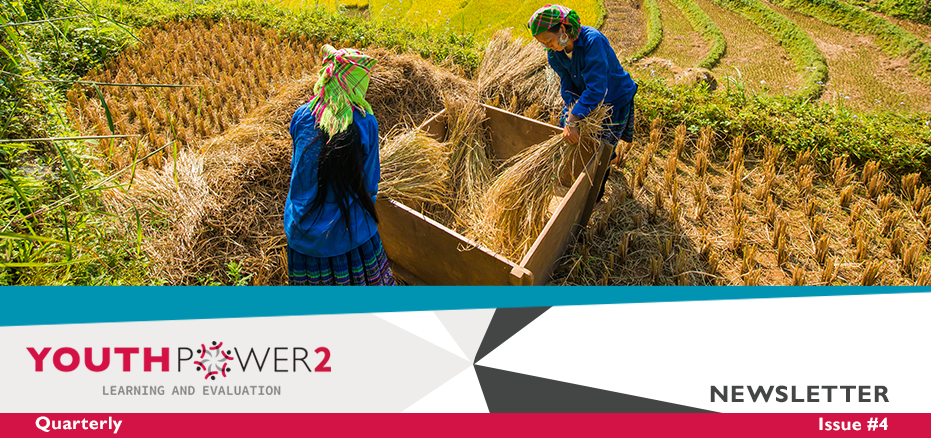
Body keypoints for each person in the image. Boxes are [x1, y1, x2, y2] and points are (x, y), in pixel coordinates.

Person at [284, 45, 395, 286]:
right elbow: (370, 183)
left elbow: (297, 170)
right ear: (356, 85)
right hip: (352, 235)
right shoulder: (366, 123)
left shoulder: (302, 116)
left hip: (303, 236)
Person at [528, 4, 638, 201]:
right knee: (567, 132)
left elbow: (597, 89)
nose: (548, 47)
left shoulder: (592, 41)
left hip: (612, 97)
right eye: (543, 44)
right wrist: (570, 112)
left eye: (549, 41)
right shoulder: (555, 54)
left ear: (562, 29)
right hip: (587, 98)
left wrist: (574, 119)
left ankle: (595, 193)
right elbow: (567, 85)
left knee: (603, 145)